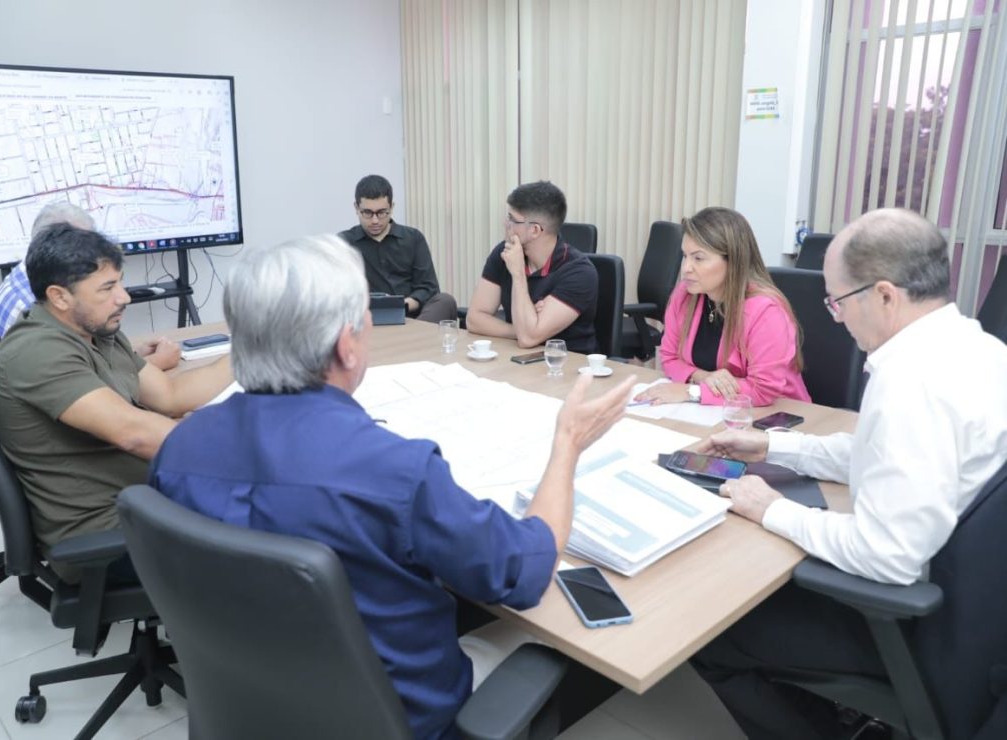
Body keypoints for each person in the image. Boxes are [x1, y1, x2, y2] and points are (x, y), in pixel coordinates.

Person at [149, 234, 637, 740]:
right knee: (557, 648)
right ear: (346, 344)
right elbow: (527, 570)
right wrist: (568, 444)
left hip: (250, 703)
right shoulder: (394, 472)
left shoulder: (180, 449)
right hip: (396, 719)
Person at [688, 208, 1007, 740]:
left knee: (714, 629)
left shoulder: (911, 383)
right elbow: (876, 452)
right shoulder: (975, 347)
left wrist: (773, 509)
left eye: (837, 301)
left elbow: (887, 556)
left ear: (884, 295)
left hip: (925, 625)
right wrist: (773, 444)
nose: (835, 317)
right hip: (978, 610)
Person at [0, 224, 233, 583]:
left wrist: (261, 351)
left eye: (119, 282)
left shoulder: (95, 330)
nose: (124, 297)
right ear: (59, 297)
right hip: (111, 533)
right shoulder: (38, 351)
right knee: (282, 519)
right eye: (107, 288)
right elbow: (137, 435)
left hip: (147, 496)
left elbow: (169, 396)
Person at [634, 207, 810, 407]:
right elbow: (669, 356)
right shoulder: (684, 295)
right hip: (715, 414)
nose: (685, 268)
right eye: (685, 256)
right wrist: (703, 377)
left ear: (733, 261)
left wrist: (691, 391)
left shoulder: (766, 312)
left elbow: (764, 390)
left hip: (778, 420)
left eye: (698, 258)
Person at [0, 201, 180, 370]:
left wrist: (134, 358)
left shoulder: (29, 273)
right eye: (82, 247)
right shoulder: (37, 303)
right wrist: (153, 364)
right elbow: (84, 381)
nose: (93, 252)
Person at [466, 181, 599, 353]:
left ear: (535, 230)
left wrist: (518, 274)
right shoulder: (505, 252)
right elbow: (474, 319)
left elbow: (528, 339)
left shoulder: (580, 272)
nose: (506, 224)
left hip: (566, 366)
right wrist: (522, 328)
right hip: (518, 359)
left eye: (512, 219)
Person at [339, 174, 458, 323]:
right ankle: (415, 341)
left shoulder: (413, 238)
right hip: (368, 318)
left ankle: (412, 337)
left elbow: (428, 288)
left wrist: (402, 305)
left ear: (392, 207)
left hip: (412, 315)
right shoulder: (343, 243)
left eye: (382, 213)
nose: (375, 220)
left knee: (445, 301)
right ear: (356, 208)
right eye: (367, 213)